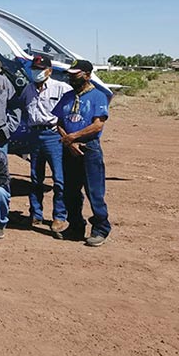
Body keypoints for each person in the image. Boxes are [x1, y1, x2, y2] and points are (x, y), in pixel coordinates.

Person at [52, 59, 111, 247]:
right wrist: (68, 141)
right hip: (69, 149)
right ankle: (75, 226)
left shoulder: (98, 96)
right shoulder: (67, 96)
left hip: (88, 149)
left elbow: (97, 124)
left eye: (75, 74)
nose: (71, 77)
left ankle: (100, 228)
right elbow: (58, 121)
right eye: (70, 74)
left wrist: (73, 138)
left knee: (94, 191)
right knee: (70, 191)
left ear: (87, 74)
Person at [21, 54, 72, 234]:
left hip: (53, 135)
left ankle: (59, 216)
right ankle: (36, 213)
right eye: (35, 69)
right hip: (35, 135)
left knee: (59, 178)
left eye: (40, 70)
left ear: (49, 71)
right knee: (36, 177)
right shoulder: (28, 89)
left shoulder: (61, 88)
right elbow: (24, 110)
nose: (37, 73)